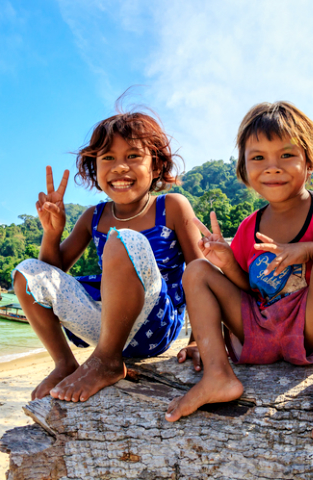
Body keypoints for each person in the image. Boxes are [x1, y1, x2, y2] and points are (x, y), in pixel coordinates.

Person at [165, 101, 313, 442]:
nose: (272, 167)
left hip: (310, 327)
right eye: (258, 157)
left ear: (308, 161)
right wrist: (226, 263)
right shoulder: (250, 226)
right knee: (197, 270)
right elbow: (247, 290)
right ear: (244, 168)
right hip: (257, 331)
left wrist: (310, 250)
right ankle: (218, 375)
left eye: (286, 155)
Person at [12, 110, 202, 403]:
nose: (120, 167)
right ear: (95, 169)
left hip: (157, 324)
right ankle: (64, 362)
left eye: (133, 156)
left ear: (156, 166)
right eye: (108, 158)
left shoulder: (173, 207)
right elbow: (49, 279)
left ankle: (107, 362)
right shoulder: (94, 216)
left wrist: (199, 340)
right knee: (26, 272)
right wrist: (52, 233)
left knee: (122, 240)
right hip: (106, 326)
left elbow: (201, 273)